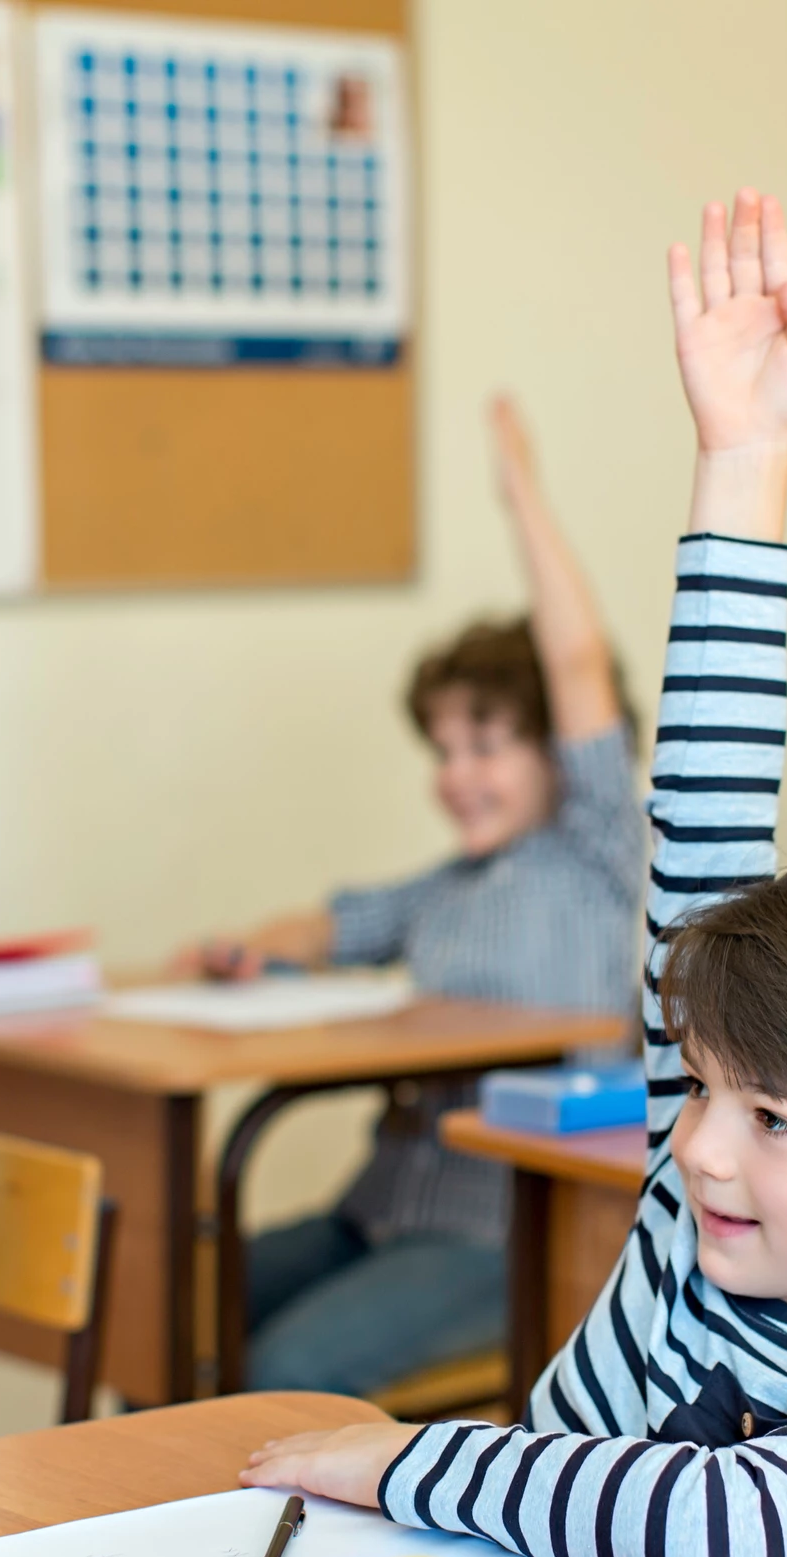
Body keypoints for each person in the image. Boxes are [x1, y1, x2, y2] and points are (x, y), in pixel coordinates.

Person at [238, 190, 787, 1557]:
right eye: (706, 1091)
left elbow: (708, 1530)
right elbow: (705, 803)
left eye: (772, 1119)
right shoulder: (717, 1217)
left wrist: (405, 1461)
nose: (695, 1144)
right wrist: (743, 460)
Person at [185, 395, 645, 1397]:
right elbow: (336, 924)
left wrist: (521, 497)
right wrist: (249, 946)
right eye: (442, 751)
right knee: (178, 1311)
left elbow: (573, 665)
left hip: (509, 1231)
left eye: (487, 745)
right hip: (381, 1205)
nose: (457, 775)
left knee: (282, 1368)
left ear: (559, 757)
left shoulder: (602, 853)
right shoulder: (448, 886)